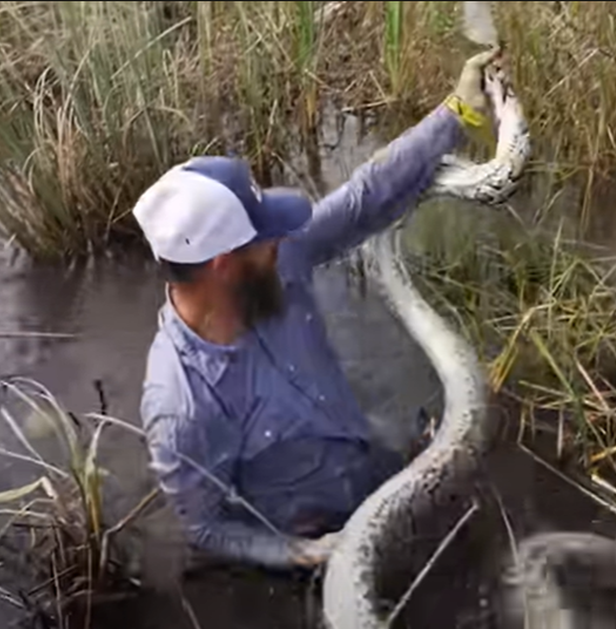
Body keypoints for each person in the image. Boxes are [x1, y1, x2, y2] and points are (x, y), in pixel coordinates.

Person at [136, 47, 502, 571]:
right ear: (223, 264)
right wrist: (303, 554)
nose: (281, 240)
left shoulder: (277, 260)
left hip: (369, 462)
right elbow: (206, 528)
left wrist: (457, 112)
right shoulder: (181, 408)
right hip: (317, 544)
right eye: (264, 236)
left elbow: (364, 199)